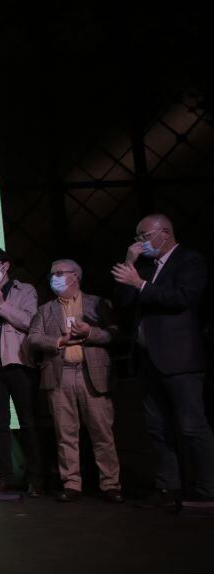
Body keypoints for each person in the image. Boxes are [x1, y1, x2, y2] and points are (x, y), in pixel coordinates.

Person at [112, 214, 214, 507]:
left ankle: (207, 490)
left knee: (192, 426)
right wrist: (130, 265)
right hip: (148, 360)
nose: (139, 243)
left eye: (143, 236)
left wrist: (141, 285)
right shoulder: (143, 267)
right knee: (158, 428)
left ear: (164, 233)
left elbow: (182, 297)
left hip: (180, 359)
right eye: (137, 238)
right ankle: (168, 487)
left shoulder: (189, 260)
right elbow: (123, 302)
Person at [30, 259, 123, 503]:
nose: (54, 278)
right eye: (52, 274)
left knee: (102, 432)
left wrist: (89, 333)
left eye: (59, 273)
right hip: (60, 375)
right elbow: (34, 338)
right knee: (65, 434)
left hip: (91, 373)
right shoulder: (45, 309)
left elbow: (113, 333)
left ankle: (110, 484)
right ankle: (72, 483)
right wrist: (59, 341)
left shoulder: (97, 303)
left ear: (75, 276)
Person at [0, 247, 45, 497]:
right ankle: (5, 478)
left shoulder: (25, 291)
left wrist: (3, 306)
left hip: (20, 364)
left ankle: (36, 478)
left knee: (28, 421)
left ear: (6, 265)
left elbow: (30, 322)